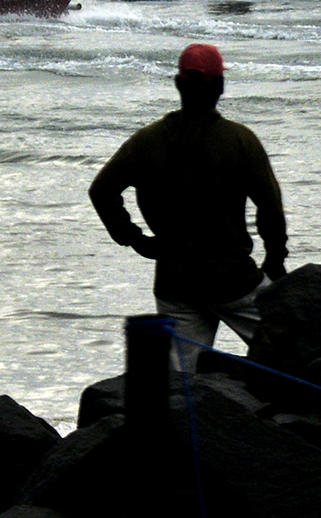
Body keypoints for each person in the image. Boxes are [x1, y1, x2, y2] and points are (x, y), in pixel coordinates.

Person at [89, 43, 288, 372]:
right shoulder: (240, 140)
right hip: (235, 281)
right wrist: (275, 259)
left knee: (180, 387)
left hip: (175, 284)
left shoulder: (146, 141)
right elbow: (270, 207)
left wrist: (135, 239)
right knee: (291, 351)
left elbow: (101, 190)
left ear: (178, 85)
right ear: (220, 87)